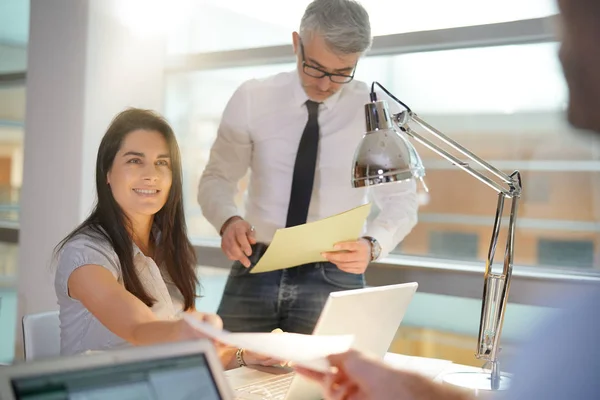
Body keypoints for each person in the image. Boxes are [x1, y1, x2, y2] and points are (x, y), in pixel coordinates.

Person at [295, 0, 600, 398]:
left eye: (572, 23)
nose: (561, 51)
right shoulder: (576, 336)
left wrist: (372, 243)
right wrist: (401, 385)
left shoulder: (580, 341)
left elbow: (401, 204)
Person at [198, 0, 418, 334]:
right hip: (256, 260)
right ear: (296, 44)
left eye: (342, 72)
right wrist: (228, 220)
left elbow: (402, 199)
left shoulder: (374, 112)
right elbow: (217, 178)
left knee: (327, 384)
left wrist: (373, 245)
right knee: (225, 372)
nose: (326, 84)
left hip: (334, 269)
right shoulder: (252, 98)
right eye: (314, 67)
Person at [54, 108, 280, 370]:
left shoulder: (169, 248)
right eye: (135, 161)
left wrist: (244, 354)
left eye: (162, 162)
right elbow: (139, 329)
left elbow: (192, 349)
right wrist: (189, 330)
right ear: (107, 172)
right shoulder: (85, 255)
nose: (151, 174)